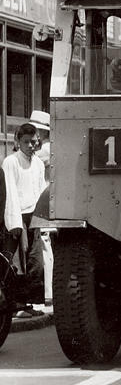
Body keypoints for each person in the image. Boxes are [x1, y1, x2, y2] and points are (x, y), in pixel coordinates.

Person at [2, 123, 48, 317]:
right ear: (17, 142)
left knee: (36, 261)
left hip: (33, 216)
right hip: (16, 215)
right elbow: (10, 192)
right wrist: (14, 223)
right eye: (26, 142)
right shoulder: (10, 162)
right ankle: (16, 305)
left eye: (33, 142)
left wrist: (42, 219)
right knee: (17, 263)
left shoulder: (37, 162)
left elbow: (40, 191)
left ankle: (29, 303)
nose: (30, 145)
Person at [29, 110, 54, 307]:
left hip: (42, 200)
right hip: (45, 200)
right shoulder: (46, 147)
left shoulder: (45, 149)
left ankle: (48, 293)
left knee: (44, 248)